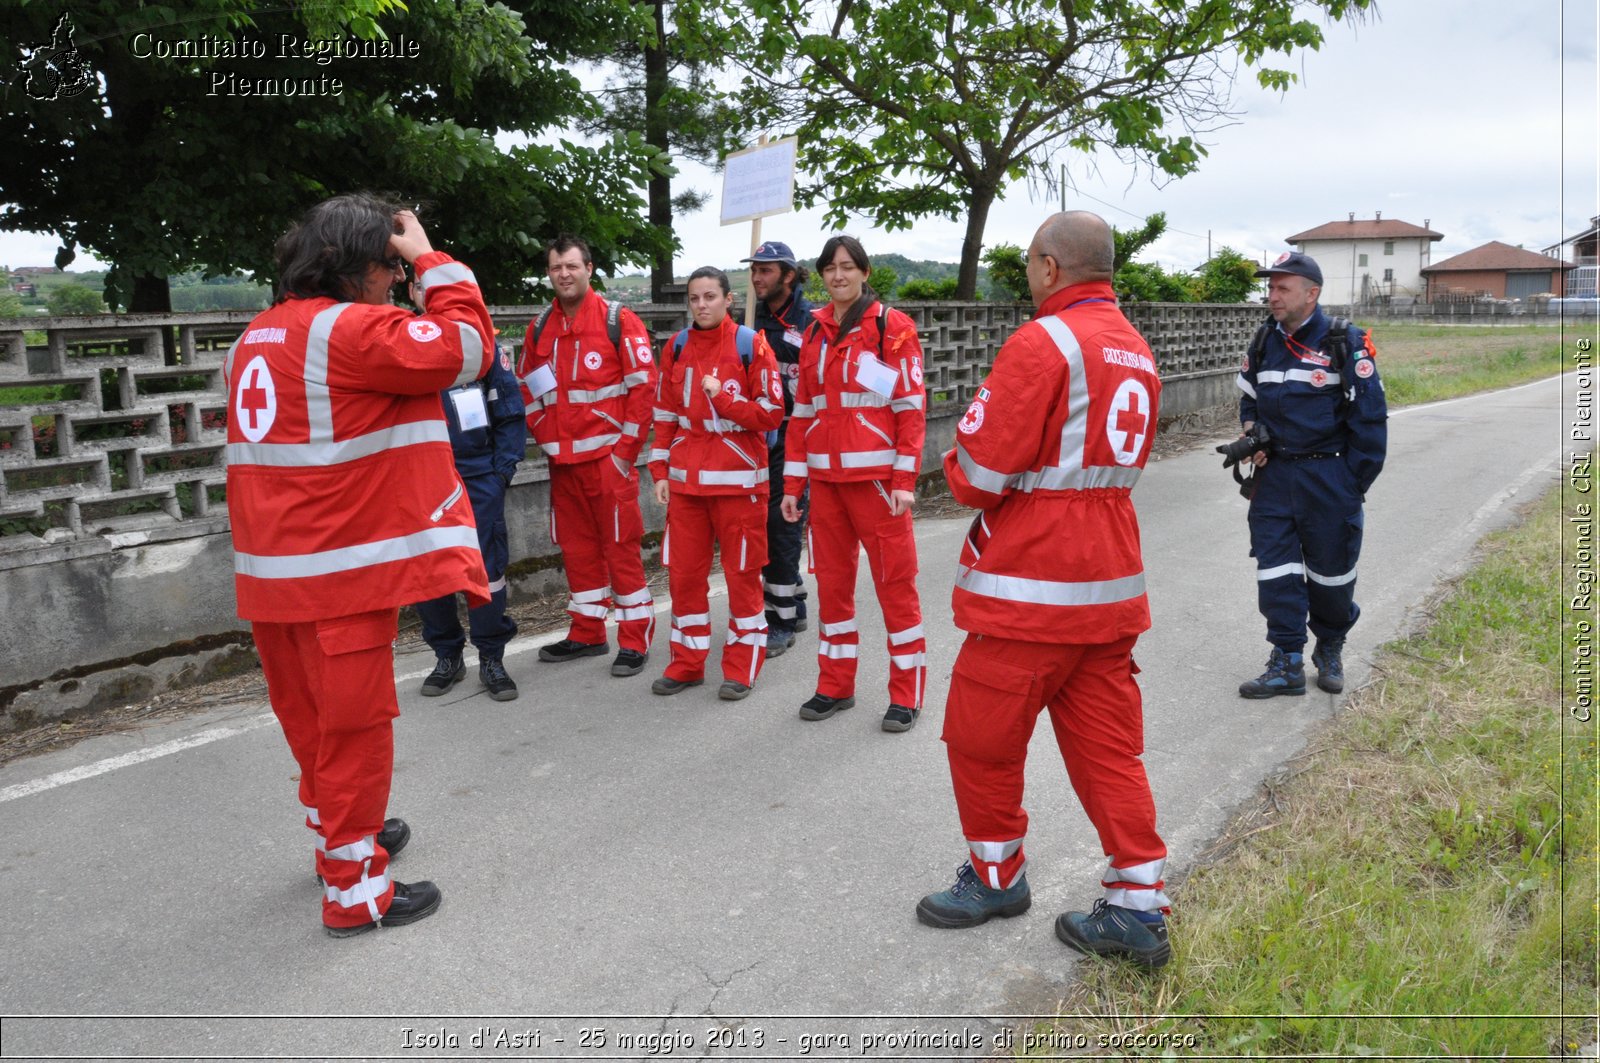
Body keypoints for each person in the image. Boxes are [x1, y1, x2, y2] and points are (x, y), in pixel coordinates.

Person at [225, 193, 494, 936]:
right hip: (336, 575)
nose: (391, 283)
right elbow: (469, 350)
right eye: (385, 266)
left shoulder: (255, 336)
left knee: (310, 724)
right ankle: (356, 891)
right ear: (354, 265)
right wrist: (430, 259)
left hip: (273, 574)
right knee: (354, 730)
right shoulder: (348, 330)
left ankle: (337, 839)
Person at [915, 211, 1173, 971]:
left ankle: (997, 877)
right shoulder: (1136, 350)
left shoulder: (1045, 341)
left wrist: (961, 458)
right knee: (1110, 752)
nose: (1027, 274)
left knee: (981, 738)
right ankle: (1138, 907)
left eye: (1029, 262)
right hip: (1108, 582)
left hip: (1030, 586)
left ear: (1051, 267)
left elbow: (977, 474)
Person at [779, 236, 927, 733]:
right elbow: (801, 415)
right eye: (829, 268)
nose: (838, 276)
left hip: (877, 486)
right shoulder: (814, 331)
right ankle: (835, 685)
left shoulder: (891, 327)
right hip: (826, 485)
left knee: (895, 587)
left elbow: (910, 408)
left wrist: (904, 479)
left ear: (865, 272)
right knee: (833, 588)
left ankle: (906, 694)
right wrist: (792, 486)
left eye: (847, 267)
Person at [1234, 251, 1387, 698]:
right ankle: (1286, 661)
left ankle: (1331, 645)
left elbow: (1370, 422)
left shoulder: (1345, 342)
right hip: (1275, 480)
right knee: (1275, 573)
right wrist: (1253, 435)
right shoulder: (1265, 341)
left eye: (1282, 288)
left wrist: (1350, 484)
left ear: (1311, 292)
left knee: (1331, 578)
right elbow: (1249, 401)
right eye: (1271, 287)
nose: (1272, 296)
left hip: (1329, 479)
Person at [518, 235, 659, 678]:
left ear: (589, 268)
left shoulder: (619, 320)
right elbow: (529, 389)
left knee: (620, 550)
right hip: (564, 465)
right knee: (576, 550)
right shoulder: (540, 327)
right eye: (556, 267)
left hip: (607, 462)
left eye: (572, 266)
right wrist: (544, 437)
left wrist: (623, 454)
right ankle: (587, 632)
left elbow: (643, 389)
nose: (564, 274)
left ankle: (635, 640)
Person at [647, 266, 784, 699]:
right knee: (684, 578)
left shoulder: (751, 345)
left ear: (729, 299)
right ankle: (687, 663)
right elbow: (665, 414)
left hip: (739, 487)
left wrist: (723, 398)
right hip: (687, 488)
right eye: (694, 298)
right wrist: (660, 469)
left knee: (742, 578)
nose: (701, 305)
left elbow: (770, 414)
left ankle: (741, 668)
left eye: (710, 296)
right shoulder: (677, 346)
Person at [413, 299, 527, 702]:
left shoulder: (480, 346)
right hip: (422, 481)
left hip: (478, 478)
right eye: (422, 287)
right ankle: (447, 656)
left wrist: (501, 474)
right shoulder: (401, 343)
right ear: (413, 291)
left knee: (486, 574)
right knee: (430, 574)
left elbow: (511, 414)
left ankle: (492, 659)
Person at [741, 240, 816, 658]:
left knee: (781, 524)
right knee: (761, 521)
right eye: (754, 270)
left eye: (766, 270)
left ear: (788, 274)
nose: (757, 277)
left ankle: (781, 620)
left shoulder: (811, 323)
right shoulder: (750, 321)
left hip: (795, 437)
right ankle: (795, 601)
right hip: (756, 438)